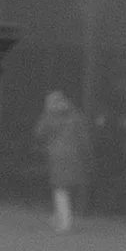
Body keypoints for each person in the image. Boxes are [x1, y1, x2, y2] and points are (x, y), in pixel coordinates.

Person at [31, 86, 89, 234]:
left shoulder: (50, 116)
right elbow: (84, 139)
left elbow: (39, 133)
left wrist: (45, 114)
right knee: (70, 186)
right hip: (74, 154)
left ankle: (64, 222)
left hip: (57, 155)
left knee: (60, 189)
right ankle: (58, 217)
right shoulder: (76, 115)